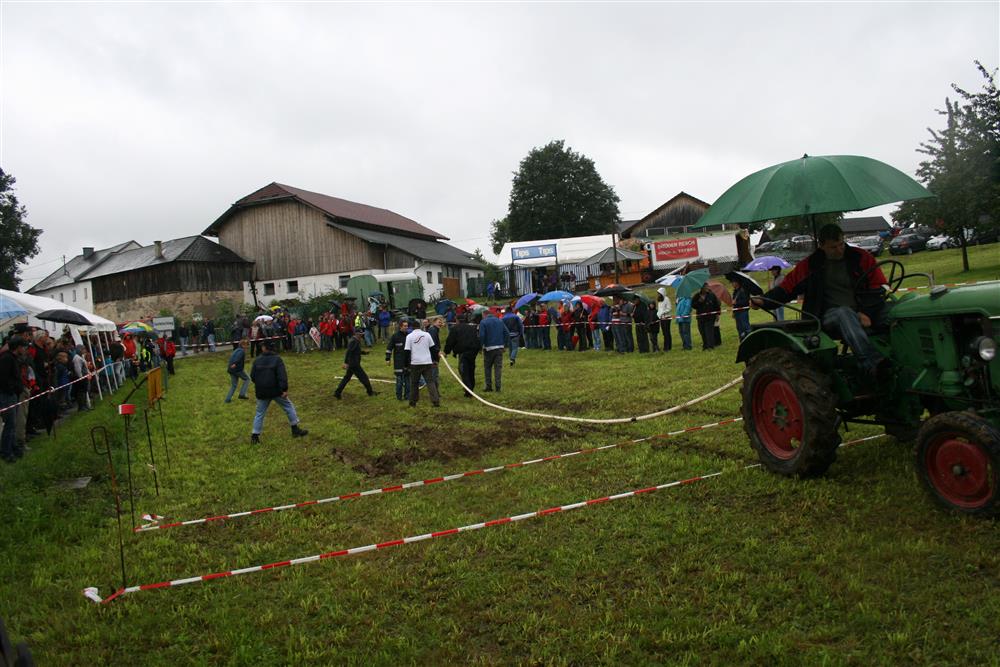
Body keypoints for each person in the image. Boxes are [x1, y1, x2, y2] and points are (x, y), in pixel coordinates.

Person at [752, 223, 889, 376]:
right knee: (844, 313)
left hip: (863, 310)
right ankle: (871, 363)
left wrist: (867, 312)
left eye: (841, 244)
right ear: (821, 246)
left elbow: (877, 286)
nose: (839, 250)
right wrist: (764, 300)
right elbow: (787, 288)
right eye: (833, 247)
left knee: (897, 311)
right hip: (827, 316)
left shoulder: (861, 258)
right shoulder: (811, 265)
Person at [249, 339, 308, 444]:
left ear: (264, 348)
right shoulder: (277, 359)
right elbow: (282, 376)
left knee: (259, 413)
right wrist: (284, 389)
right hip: (276, 390)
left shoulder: (257, 360)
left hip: (262, 391)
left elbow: (252, 376)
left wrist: (261, 384)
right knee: (288, 407)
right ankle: (295, 429)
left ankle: (255, 436)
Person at [444, 311, 481, 397]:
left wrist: (446, 351)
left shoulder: (455, 329)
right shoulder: (472, 328)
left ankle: (468, 391)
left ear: (457, 320)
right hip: (473, 351)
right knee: (471, 370)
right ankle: (471, 387)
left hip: (463, 352)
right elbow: (477, 338)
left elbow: (450, 341)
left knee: (464, 371)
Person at [404, 320, 440, 407]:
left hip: (415, 363)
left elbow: (407, 352)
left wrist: (406, 365)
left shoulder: (409, 336)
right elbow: (433, 348)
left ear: (412, 327)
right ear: (420, 326)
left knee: (414, 383)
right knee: (430, 382)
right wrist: (435, 359)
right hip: (427, 362)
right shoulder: (427, 335)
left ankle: (413, 402)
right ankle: (435, 401)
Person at [0, 338, 25, 462]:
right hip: (7, 395)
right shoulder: (7, 359)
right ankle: (6, 451)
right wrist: (11, 389)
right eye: (23, 347)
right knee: (10, 423)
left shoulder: (13, 358)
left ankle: (13, 447)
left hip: (12, 394)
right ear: (18, 347)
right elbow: (3, 378)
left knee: (13, 423)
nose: (24, 349)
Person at [335, 328, 377, 399]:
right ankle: (370, 392)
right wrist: (346, 363)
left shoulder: (356, 341)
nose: (362, 336)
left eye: (362, 334)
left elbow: (356, 351)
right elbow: (348, 352)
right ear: (356, 334)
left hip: (352, 364)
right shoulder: (353, 341)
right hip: (354, 364)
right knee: (364, 378)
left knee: (346, 378)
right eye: (360, 334)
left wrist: (365, 352)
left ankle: (337, 393)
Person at [479, 309, 506, 392]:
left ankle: (488, 386)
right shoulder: (500, 321)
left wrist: (480, 346)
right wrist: (505, 345)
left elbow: (482, 335)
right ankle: (498, 387)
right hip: (499, 347)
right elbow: (506, 332)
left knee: (487, 367)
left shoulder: (483, 322)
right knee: (498, 368)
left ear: (484, 315)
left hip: (488, 348)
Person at [385, 319, 411, 401]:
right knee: (399, 381)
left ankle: (407, 396)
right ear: (400, 327)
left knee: (408, 380)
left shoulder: (409, 336)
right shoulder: (395, 336)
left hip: (408, 362)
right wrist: (387, 358)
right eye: (404, 326)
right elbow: (389, 348)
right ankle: (399, 397)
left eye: (407, 326)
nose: (406, 327)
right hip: (398, 362)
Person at [691, 284, 720, 350]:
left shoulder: (711, 295)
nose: (707, 288)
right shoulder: (696, 296)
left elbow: (716, 305)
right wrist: (699, 302)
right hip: (700, 317)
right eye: (705, 287)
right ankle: (705, 345)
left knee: (709, 332)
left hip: (710, 317)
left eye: (707, 286)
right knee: (702, 332)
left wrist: (717, 314)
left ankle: (710, 346)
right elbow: (693, 305)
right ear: (702, 288)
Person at [225, 338, 250, 403]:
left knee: (234, 385)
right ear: (243, 345)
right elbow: (238, 358)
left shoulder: (236, 350)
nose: (248, 347)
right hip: (237, 369)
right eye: (247, 345)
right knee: (247, 379)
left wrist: (244, 361)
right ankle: (242, 394)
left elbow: (234, 358)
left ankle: (227, 399)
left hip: (231, 369)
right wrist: (235, 363)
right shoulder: (241, 351)